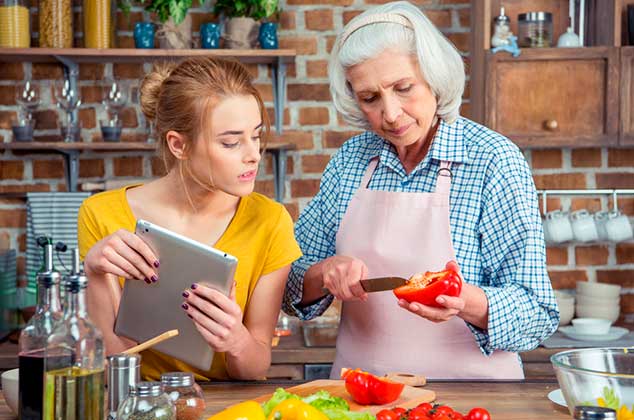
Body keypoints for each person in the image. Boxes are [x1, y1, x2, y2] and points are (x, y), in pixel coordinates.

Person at [283, 1, 559, 380]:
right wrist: (324, 273)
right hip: (360, 398)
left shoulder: (492, 160)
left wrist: (466, 301)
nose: (392, 113)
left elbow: (537, 314)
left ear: (434, 75)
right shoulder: (351, 161)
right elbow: (288, 286)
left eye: (403, 88)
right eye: (370, 98)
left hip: (471, 399)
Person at [78, 57, 302, 381]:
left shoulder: (270, 221)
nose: (253, 153)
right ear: (179, 145)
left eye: (256, 135)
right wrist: (95, 272)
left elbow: (254, 368)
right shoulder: (101, 214)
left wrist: (235, 339)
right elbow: (113, 359)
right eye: (230, 142)